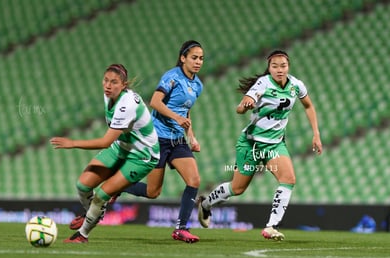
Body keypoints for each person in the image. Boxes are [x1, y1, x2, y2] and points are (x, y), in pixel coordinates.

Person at [197, 50, 322, 241]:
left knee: (288, 179)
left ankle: (271, 226)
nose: (280, 70)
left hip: (275, 144)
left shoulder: (296, 85)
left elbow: (308, 106)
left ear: (288, 66)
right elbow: (240, 109)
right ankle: (206, 205)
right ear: (269, 68)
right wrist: (244, 105)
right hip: (251, 144)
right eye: (275, 66)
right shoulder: (263, 83)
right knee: (237, 189)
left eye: (283, 66)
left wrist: (316, 134)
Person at [50, 64, 159, 243]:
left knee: (101, 195)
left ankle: (82, 235)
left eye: (114, 82)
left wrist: (73, 143)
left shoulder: (127, 105)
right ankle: (92, 213)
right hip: (121, 146)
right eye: (106, 80)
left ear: (123, 85)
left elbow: (105, 141)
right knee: (83, 185)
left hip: (142, 155)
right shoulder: (109, 96)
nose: (108, 85)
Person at [122, 40, 204, 243]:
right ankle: (119, 185)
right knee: (152, 192)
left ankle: (181, 228)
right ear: (183, 58)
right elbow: (155, 102)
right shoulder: (172, 77)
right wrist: (176, 118)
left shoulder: (198, 85)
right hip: (157, 139)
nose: (198, 62)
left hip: (178, 141)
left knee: (194, 180)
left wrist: (191, 137)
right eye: (194, 57)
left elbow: (186, 112)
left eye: (201, 58)